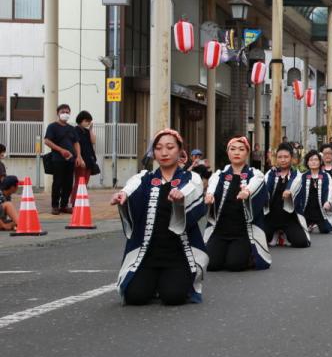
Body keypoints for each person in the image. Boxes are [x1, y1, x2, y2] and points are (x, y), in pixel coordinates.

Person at [111, 129, 208, 305]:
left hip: (178, 254)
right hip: (147, 253)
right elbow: (131, 188)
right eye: (158, 148)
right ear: (153, 153)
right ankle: (153, 281)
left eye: (170, 147)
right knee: (135, 297)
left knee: (173, 297)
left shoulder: (191, 177)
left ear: (180, 151)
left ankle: (169, 280)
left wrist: (180, 197)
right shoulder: (144, 177)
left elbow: (192, 191)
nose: (164, 152)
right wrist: (122, 195)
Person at [203, 136, 270, 272]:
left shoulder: (254, 174)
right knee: (211, 265)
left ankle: (248, 253)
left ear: (247, 152)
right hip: (220, 230)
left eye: (241, 149)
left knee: (234, 265)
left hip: (243, 231)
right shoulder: (219, 174)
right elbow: (212, 187)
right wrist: (209, 195)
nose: (236, 152)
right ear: (228, 153)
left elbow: (257, 185)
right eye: (232, 149)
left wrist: (247, 192)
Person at [262, 145, 311, 248]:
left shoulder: (297, 174)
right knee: (257, 241)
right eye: (280, 157)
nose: (283, 160)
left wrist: (289, 191)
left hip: (289, 218)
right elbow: (265, 187)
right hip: (271, 217)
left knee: (301, 242)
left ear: (291, 158)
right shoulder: (271, 173)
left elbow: (295, 184)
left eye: (286, 157)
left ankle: (283, 235)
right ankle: (276, 233)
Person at [43, 103, 78, 214]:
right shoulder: (52, 126)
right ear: (57, 113)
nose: (65, 114)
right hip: (58, 159)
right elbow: (47, 141)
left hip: (71, 160)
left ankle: (64, 205)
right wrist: (61, 150)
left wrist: (79, 157)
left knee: (68, 183)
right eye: (63, 112)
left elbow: (76, 143)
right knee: (57, 182)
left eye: (67, 112)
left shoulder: (72, 128)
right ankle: (55, 206)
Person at [300, 150, 332, 234]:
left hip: (321, 211)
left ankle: (316, 223)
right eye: (311, 160)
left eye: (316, 160)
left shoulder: (326, 176)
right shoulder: (303, 176)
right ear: (307, 163)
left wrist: (328, 202)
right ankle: (310, 223)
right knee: (301, 229)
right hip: (306, 211)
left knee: (325, 230)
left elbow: (330, 189)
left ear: (320, 162)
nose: (313, 162)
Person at [74, 110, 99, 187]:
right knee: (79, 182)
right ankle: (75, 199)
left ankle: (82, 198)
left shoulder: (87, 131)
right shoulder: (75, 130)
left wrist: (90, 130)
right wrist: (80, 159)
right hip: (81, 159)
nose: (88, 123)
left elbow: (93, 141)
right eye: (86, 121)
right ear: (81, 120)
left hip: (89, 159)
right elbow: (75, 145)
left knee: (85, 182)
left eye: (89, 121)